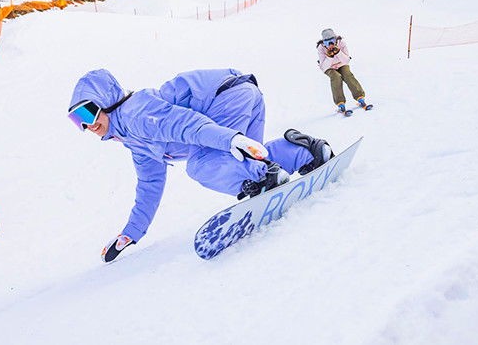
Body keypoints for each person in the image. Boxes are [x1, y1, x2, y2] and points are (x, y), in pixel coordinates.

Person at [67, 68, 333, 263]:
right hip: (240, 92)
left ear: (106, 99)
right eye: (78, 120)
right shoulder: (133, 139)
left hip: (226, 98)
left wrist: (229, 138)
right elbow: (149, 185)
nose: (88, 125)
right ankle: (305, 151)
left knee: (200, 165)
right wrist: (130, 234)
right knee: (247, 157)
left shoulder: (135, 114)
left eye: (88, 112)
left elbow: (186, 124)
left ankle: (265, 180)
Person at [316, 28, 370, 113]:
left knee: (347, 75)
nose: (330, 44)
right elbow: (324, 66)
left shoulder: (341, 43)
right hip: (329, 67)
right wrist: (329, 57)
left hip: (342, 64)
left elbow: (346, 60)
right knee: (336, 77)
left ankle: (359, 97)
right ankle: (340, 103)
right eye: (327, 42)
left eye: (332, 40)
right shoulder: (321, 48)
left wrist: (338, 52)